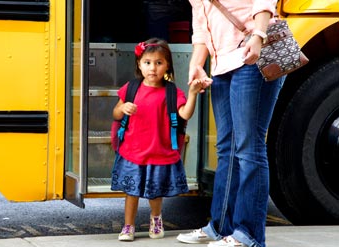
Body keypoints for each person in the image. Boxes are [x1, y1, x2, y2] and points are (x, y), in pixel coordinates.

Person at [176, 1, 286, 247]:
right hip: (222, 63)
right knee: (226, 148)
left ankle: (248, 235)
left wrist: (258, 35)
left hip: (252, 54)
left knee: (249, 148)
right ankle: (220, 226)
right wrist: (196, 62)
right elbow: (202, 22)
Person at [111, 37, 212, 242]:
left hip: (159, 150)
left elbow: (184, 114)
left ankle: (156, 218)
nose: (153, 68)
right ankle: (128, 225)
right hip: (133, 151)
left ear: (167, 66)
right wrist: (122, 108)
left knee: (155, 193)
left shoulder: (172, 92)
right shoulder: (131, 88)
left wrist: (193, 94)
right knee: (131, 192)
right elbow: (115, 114)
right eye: (148, 62)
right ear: (139, 64)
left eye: (159, 63)